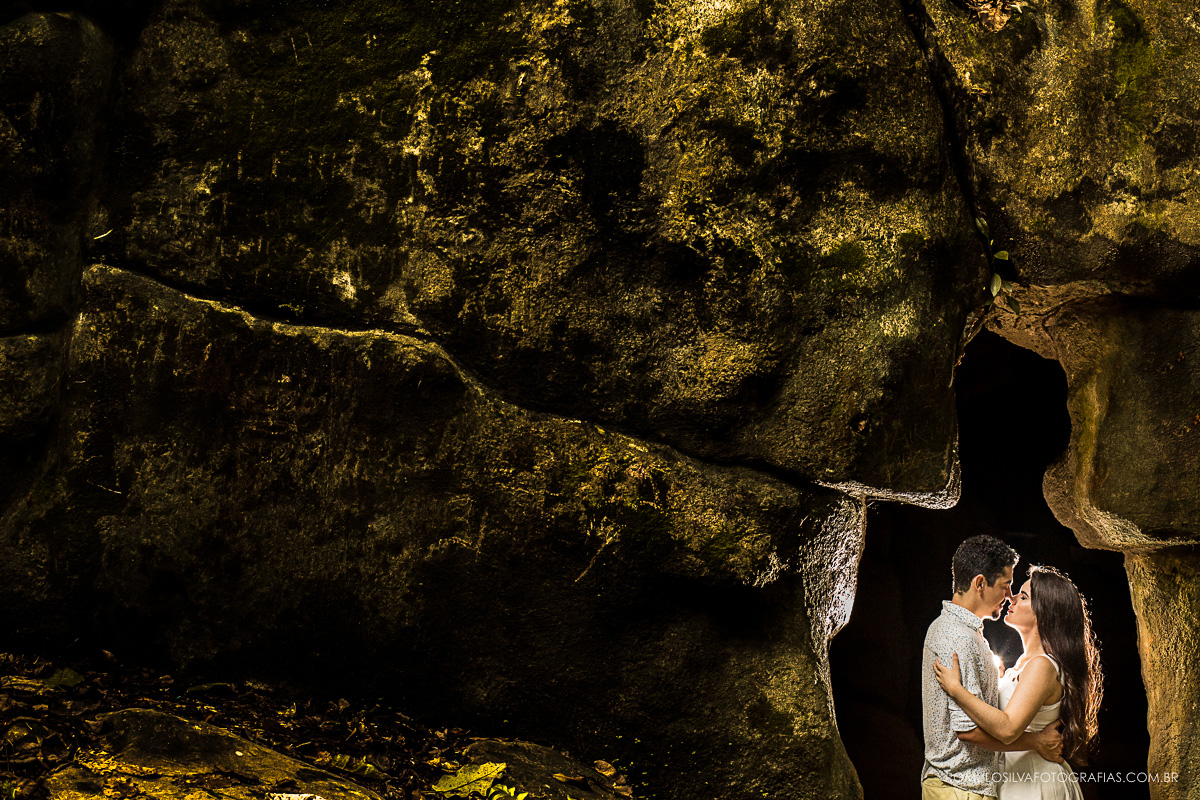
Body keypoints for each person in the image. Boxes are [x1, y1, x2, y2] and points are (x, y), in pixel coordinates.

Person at [935, 565, 1101, 799]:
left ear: (1045, 613)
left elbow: (1007, 728)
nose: (1010, 598)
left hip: (1035, 782)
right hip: (1017, 778)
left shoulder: (1042, 666)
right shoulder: (1023, 664)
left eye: (1023, 596)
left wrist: (956, 690)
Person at [921, 535, 1064, 800]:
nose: (1009, 596)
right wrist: (1037, 741)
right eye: (1006, 586)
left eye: (1018, 593)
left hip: (974, 786)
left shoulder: (967, 633)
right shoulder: (959, 637)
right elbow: (967, 731)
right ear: (979, 583)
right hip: (961, 788)